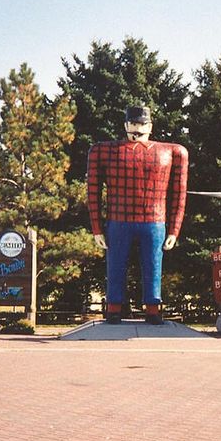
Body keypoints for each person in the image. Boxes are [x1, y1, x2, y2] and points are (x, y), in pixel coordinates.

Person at [87, 106, 189, 325]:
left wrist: (174, 229)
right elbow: (92, 191)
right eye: (133, 124)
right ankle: (114, 308)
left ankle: (153, 308)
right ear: (126, 126)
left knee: (153, 264)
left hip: (154, 220)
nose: (137, 128)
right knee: (115, 264)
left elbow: (179, 193)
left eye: (142, 124)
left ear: (150, 126)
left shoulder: (173, 152)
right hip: (119, 219)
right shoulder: (103, 151)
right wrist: (97, 228)